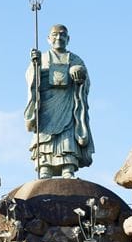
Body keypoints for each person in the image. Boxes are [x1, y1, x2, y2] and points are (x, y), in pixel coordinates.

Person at [25, 24, 94, 179]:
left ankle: (67, 166)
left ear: (68, 39)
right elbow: (31, 79)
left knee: (67, 133)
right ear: (48, 39)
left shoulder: (75, 59)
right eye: (55, 35)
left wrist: (78, 75)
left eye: (62, 35)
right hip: (46, 106)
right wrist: (35, 66)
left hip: (68, 103)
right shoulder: (41, 57)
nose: (58, 38)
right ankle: (45, 167)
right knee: (45, 135)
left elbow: (85, 81)